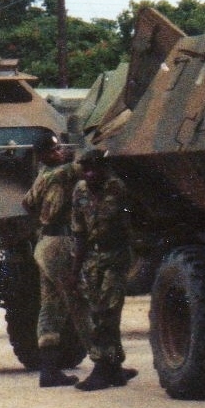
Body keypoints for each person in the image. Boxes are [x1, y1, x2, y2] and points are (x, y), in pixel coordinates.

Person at [69, 149, 139, 390]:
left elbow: (132, 224)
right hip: (91, 257)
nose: (89, 174)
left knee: (107, 312)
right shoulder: (79, 191)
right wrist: (76, 268)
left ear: (104, 169)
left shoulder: (117, 189)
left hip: (115, 255)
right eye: (85, 169)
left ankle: (101, 368)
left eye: (94, 169)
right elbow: (78, 231)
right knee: (98, 310)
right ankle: (115, 368)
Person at [21, 136, 83, 387]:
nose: (59, 152)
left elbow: (27, 203)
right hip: (59, 242)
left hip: (44, 242)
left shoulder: (43, 175)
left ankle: (48, 371)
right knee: (80, 302)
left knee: (49, 308)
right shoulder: (60, 174)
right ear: (43, 154)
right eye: (54, 149)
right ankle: (107, 364)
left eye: (59, 148)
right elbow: (81, 166)